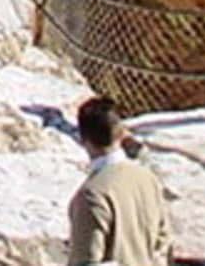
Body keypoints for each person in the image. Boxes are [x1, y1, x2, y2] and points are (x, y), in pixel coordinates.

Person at [67, 95, 173, 266]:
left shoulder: (93, 194)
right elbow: (163, 243)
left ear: (83, 140)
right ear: (121, 134)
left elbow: (87, 260)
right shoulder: (148, 179)